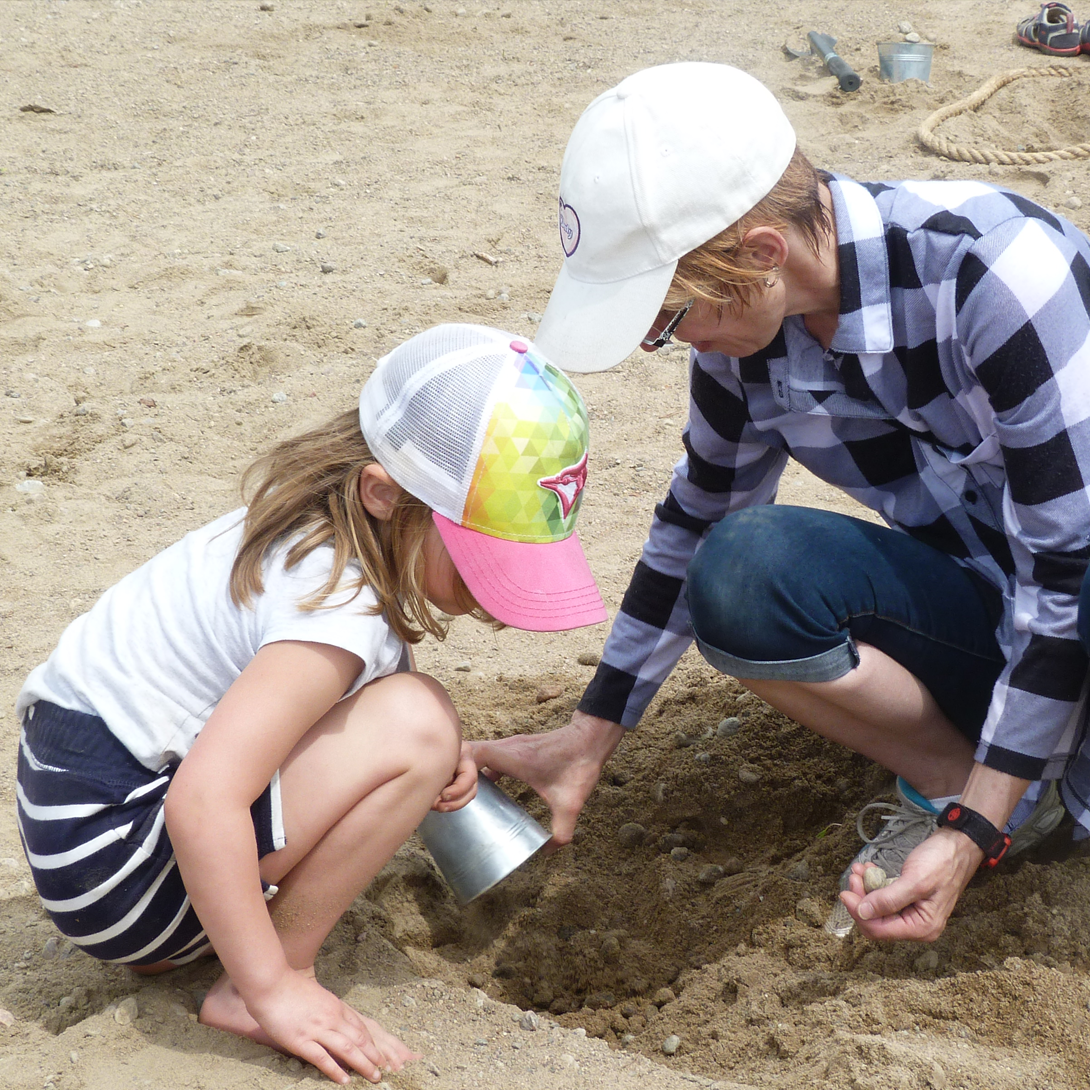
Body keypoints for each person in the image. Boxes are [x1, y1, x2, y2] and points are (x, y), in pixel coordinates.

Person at [470, 62, 1090, 944]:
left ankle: (1015, 801)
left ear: (763, 253)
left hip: (1076, 591)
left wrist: (972, 841)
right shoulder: (745, 338)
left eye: (671, 318)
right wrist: (592, 730)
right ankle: (979, 786)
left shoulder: (993, 276)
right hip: (1000, 598)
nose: (676, 342)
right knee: (747, 567)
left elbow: (1067, 573)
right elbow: (697, 521)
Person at [15, 324, 606, 1084]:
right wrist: (273, 990)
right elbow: (203, 802)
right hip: (113, 865)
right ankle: (254, 978)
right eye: (480, 558)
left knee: (413, 719)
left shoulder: (320, 540)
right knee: (419, 725)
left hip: (84, 820)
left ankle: (219, 941)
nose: (495, 600)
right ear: (383, 494)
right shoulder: (337, 608)